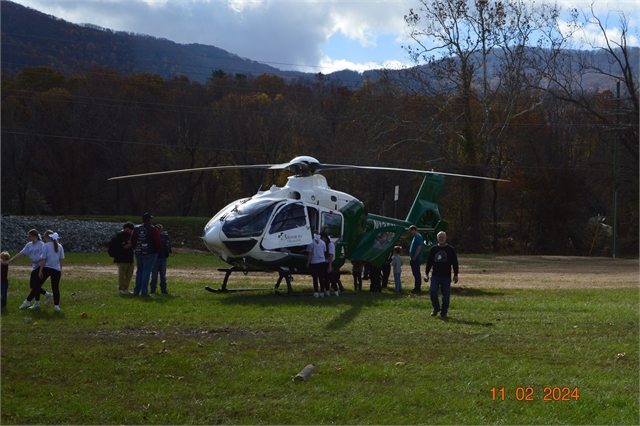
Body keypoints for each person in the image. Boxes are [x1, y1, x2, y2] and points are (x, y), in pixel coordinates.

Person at [11, 229, 53, 310]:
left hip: (41, 267)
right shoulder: (29, 245)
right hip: (34, 267)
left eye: (30, 236)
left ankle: (35, 302)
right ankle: (46, 296)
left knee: (35, 285)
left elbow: (46, 255)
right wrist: (10, 261)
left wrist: (39, 260)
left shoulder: (42, 244)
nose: (28, 238)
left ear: (35, 236)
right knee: (33, 285)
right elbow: (21, 253)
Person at [424, 231, 459, 319]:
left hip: (446, 276)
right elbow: (429, 262)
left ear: (446, 238)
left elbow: (455, 262)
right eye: (440, 237)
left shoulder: (450, 249)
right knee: (432, 291)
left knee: (446, 295)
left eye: (443, 237)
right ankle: (436, 308)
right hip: (435, 275)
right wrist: (426, 273)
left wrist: (456, 274)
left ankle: (444, 312)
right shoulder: (433, 249)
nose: (441, 239)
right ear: (437, 238)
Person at [130, 212, 162, 297]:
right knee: (146, 271)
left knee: (139, 271)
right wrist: (156, 251)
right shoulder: (153, 229)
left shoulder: (136, 228)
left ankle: (136, 291)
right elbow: (158, 242)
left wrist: (135, 248)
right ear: (148, 220)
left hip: (138, 251)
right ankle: (144, 292)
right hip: (150, 252)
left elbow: (132, 240)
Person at [38, 230, 65, 312]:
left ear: (47, 237)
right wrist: (60, 270)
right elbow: (61, 259)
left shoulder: (46, 246)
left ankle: (35, 301)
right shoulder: (59, 246)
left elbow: (43, 259)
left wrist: (40, 270)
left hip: (47, 268)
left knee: (37, 285)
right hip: (56, 269)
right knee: (55, 288)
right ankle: (56, 306)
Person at [112, 222, 135, 295]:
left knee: (129, 275)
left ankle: (126, 288)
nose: (130, 231)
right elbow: (125, 246)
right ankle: (121, 289)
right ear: (125, 228)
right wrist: (132, 243)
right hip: (122, 258)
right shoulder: (120, 235)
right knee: (122, 275)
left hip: (130, 259)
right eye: (129, 229)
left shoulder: (131, 236)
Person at [150, 224, 172, 295]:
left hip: (163, 258)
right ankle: (153, 289)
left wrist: (168, 252)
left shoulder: (164, 237)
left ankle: (164, 289)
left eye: (159, 229)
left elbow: (168, 245)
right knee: (154, 275)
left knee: (163, 275)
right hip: (155, 258)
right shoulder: (152, 237)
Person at [306, 230, 326, 297]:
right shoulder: (323, 243)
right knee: (321, 277)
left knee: (315, 278)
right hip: (322, 261)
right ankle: (322, 292)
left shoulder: (311, 243)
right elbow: (324, 251)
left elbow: (310, 254)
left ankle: (316, 292)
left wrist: (308, 262)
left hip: (314, 262)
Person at [321, 232, 339, 296]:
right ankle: (327, 291)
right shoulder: (325, 244)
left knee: (331, 277)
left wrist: (330, 266)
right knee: (325, 277)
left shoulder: (330, 244)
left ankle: (336, 291)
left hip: (330, 262)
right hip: (325, 262)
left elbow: (331, 255)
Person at [408, 225, 424, 293]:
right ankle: (416, 287)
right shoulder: (415, 237)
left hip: (416, 259)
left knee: (416, 273)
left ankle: (417, 288)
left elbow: (418, 248)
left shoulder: (418, 237)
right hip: (414, 258)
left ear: (414, 230)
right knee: (415, 273)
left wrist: (414, 257)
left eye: (410, 231)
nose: (410, 233)